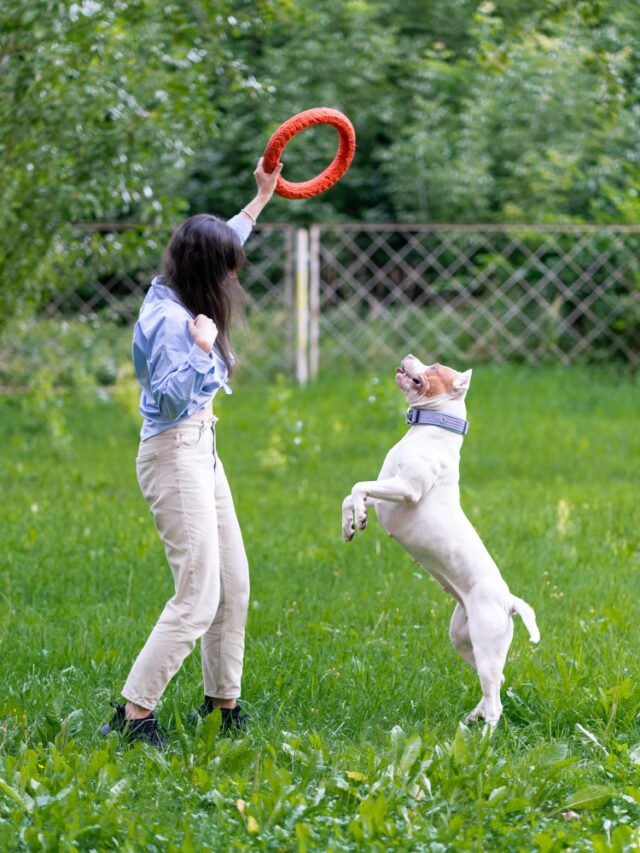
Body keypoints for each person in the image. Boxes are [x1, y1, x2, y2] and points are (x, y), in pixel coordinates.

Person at [100, 157, 283, 749]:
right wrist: (206, 350)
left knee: (234, 584)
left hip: (202, 451)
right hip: (173, 451)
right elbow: (172, 395)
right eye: (226, 271)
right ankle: (133, 715)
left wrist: (260, 199)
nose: (231, 280)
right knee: (198, 593)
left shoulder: (180, 282)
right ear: (207, 273)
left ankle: (222, 706)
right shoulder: (170, 320)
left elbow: (223, 239)